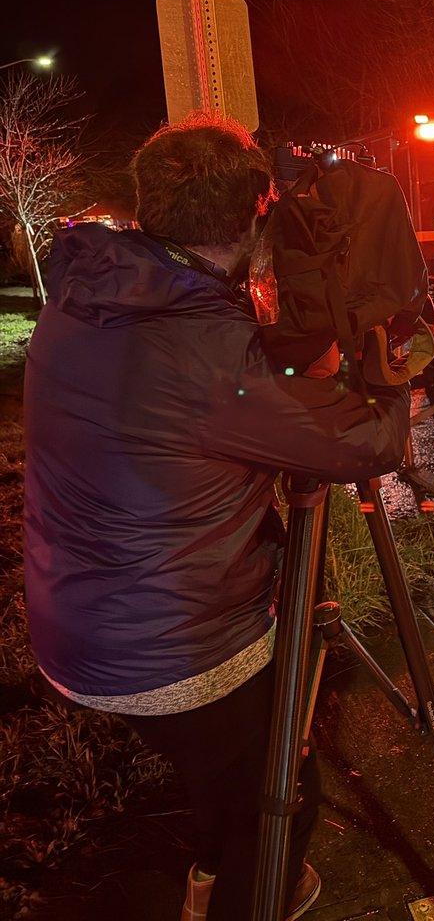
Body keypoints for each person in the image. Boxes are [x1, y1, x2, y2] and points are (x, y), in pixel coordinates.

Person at [23, 116, 412, 921]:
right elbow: (368, 440)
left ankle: (207, 876)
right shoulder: (206, 350)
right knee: (278, 795)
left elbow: (193, 400)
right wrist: (397, 361)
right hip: (175, 648)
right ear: (253, 214)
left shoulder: (88, 300)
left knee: (218, 777)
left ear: (148, 207)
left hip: (77, 625)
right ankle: (246, 897)